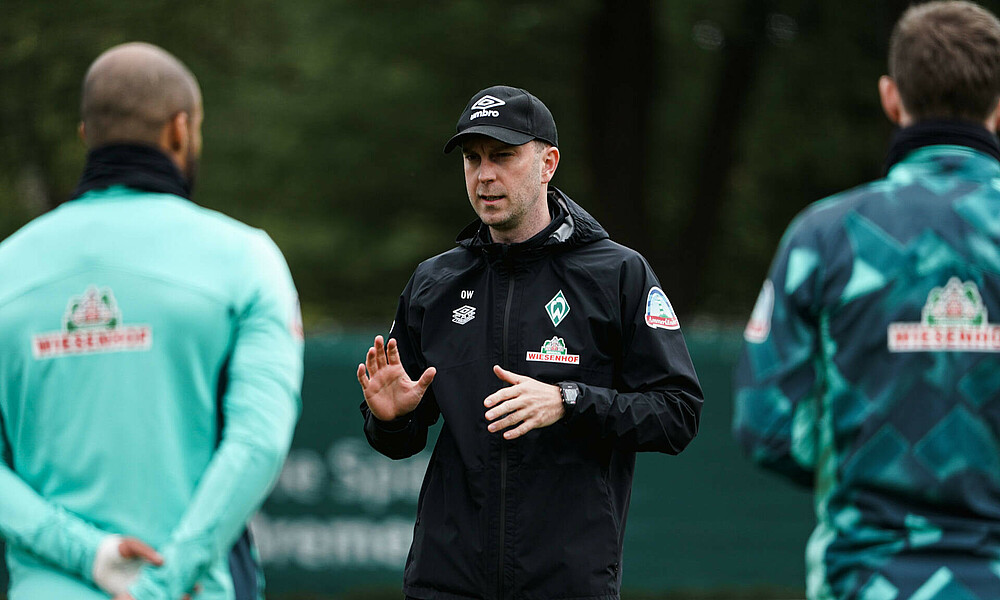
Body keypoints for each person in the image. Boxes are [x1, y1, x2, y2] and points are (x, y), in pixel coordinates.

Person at [357, 85, 703, 600]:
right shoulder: (434, 282)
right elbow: (400, 440)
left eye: (503, 156)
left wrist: (569, 401)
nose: (484, 175)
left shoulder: (618, 274)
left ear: (548, 164)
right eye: (472, 159)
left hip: (567, 582)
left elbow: (677, 413)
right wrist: (391, 420)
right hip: (445, 581)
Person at [0, 43, 303, 600]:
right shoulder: (245, 259)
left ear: (86, 135)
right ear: (180, 130)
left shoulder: (6, 270)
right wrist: (163, 581)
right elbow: (257, 443)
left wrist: (89, 554)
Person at [733, 2, 1000, 598]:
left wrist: (871, 466)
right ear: (998, 104)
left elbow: (767, 424)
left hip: (866, 578)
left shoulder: (826, 237)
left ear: (891, 97)